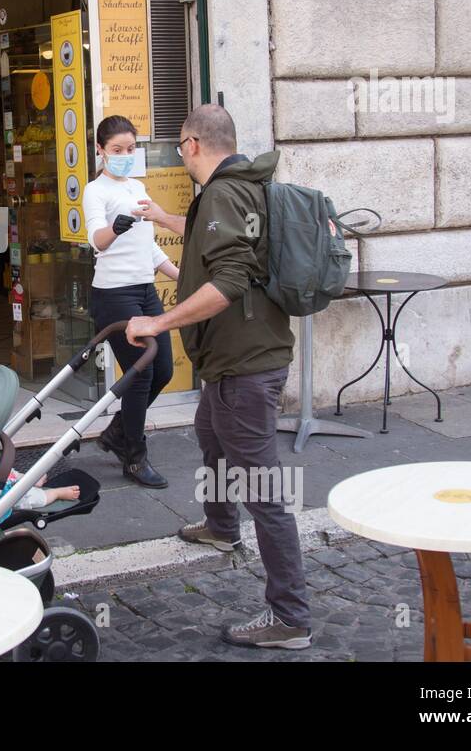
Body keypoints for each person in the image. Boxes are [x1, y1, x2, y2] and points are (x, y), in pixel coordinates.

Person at [127, 103, 311, 650]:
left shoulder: (225, 191)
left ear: (190, 145)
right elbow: (217, 241)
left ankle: (291, 617)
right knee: (210, 437)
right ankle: (220, 525)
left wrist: (159, 321)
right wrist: (163, 219)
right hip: (233, 361)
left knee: (265, 492)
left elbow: (230, 276)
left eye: (180, 147)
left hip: (245, 365)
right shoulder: (242, 185)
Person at [82, 115, 177, 488]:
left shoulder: (138, 186)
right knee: (140, 377)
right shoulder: (96, 190)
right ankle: (135, 459)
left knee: (164, 370)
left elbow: (149, 247)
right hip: (114, 294)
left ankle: (118, 432)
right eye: (116, 150)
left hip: (145, 290)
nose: (124, 155)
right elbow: (96, 240)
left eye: (130, 149)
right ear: (101, 151)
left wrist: (182, 277)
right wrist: (117, 225)